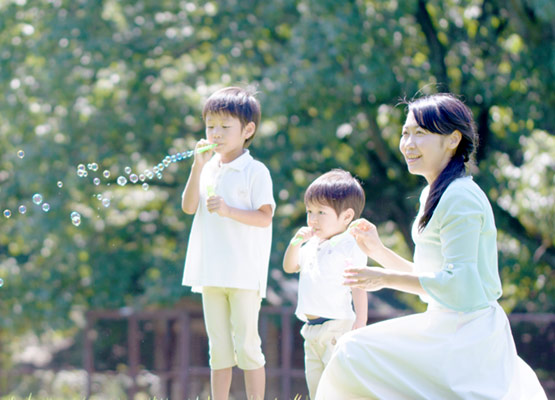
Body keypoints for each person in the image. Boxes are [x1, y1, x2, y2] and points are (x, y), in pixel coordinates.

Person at [315, 94, 547, 399]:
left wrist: (382, 278)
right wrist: (379, 252)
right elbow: (432, 281)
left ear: (452, 140)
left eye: (420, 134)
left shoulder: (460, 197)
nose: (408, 143)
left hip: (466, 335)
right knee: (354, 352)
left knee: (352, 352)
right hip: (446, 326)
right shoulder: (435, 194)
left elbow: (458, 284)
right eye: (405, 133)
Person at [181, 86, 275, 400]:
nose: (216, 133)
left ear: (248, 130)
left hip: (244, 273)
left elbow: (265, 217)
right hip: (211, 272)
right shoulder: (206, 168)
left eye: (225, 126)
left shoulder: (255, 171)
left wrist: (229, 210)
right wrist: (197, 166)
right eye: (210, 126)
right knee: (218, 347)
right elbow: (188, 206)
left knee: (248, 345)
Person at [283, 169, 368, 399]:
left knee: (337, 388)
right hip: (311, 330)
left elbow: (358, 283)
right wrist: (295, 244)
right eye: (310, 211)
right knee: (316, 388)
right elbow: (290, 267)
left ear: (346, 216)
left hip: (336, 327)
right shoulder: (312, 244)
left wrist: (361, 320)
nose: (313, 219)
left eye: (321, 212)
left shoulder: (349, 245)